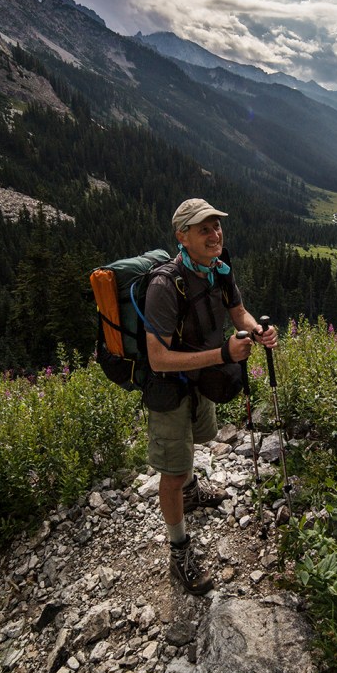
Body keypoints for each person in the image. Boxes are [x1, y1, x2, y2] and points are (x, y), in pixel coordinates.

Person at [143, 197, 277, 595]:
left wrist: (257, 331)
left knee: (197, 443)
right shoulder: (165, 286)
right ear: (182, 236)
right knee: (172, 468)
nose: (215, 233)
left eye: (217, 225)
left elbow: (239, 314)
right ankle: (178, 549)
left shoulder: (219, 270)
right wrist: (222, 354)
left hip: (201, 378)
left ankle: (190, 491)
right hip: (169, 388)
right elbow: (157, 358)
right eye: (204, 227)